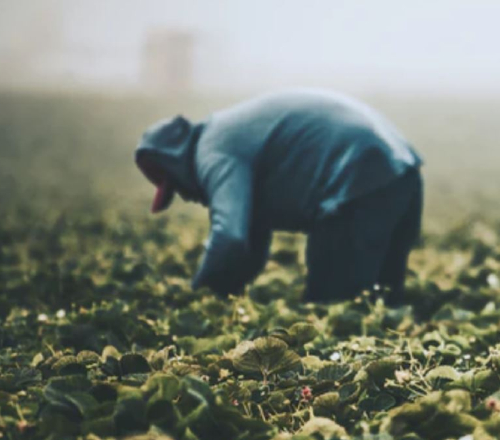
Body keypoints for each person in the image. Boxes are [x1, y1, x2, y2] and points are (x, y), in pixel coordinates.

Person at [134, 89, 423, 304]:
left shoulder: (213, 150)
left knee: (331, 307)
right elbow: (249, 243)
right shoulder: (229, 133)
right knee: (383, 301)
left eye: (178, 188)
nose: (186, 197)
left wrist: (196, 297)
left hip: (359, 183)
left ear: (177, 164)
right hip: (402, 173)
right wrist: (223, 293)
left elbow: (230, 236)